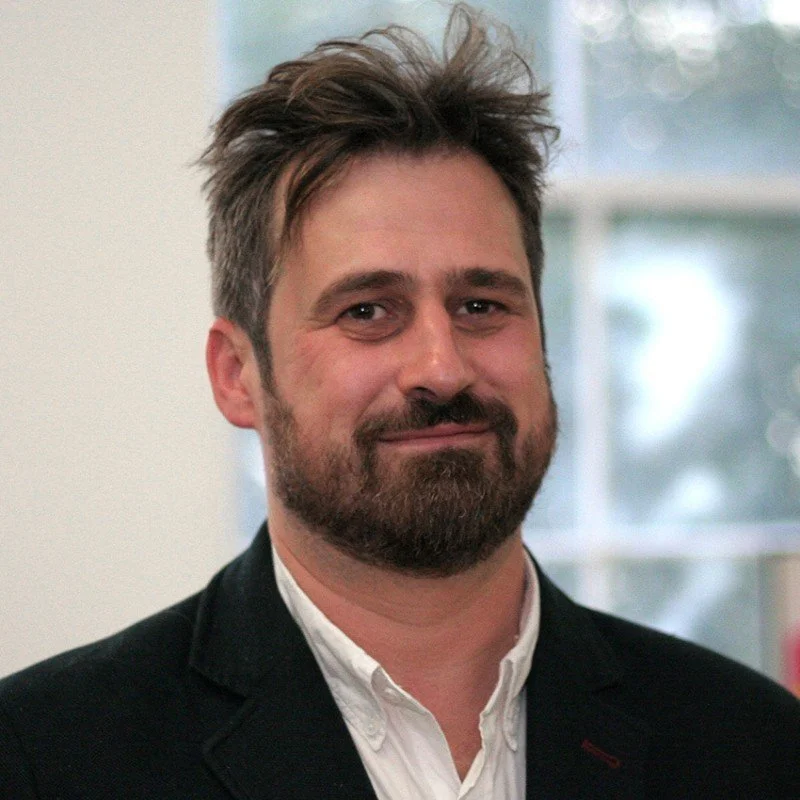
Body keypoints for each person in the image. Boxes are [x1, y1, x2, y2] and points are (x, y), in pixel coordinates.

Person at [1, 4, 798, 798]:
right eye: (368, 311)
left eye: (482, 305)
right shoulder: (47, 757)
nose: (441, 368)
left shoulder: (752, 746)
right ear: (238, 375)